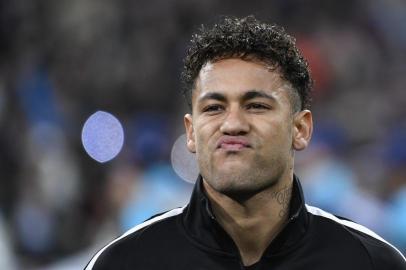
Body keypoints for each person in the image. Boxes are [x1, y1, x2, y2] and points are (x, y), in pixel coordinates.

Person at [85, 15, 406, 270]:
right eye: (214, 107)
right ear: (192, 132)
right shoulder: (125, 262)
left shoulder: (371, 261)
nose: (233, 124)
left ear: (301, 128)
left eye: (256, 106)